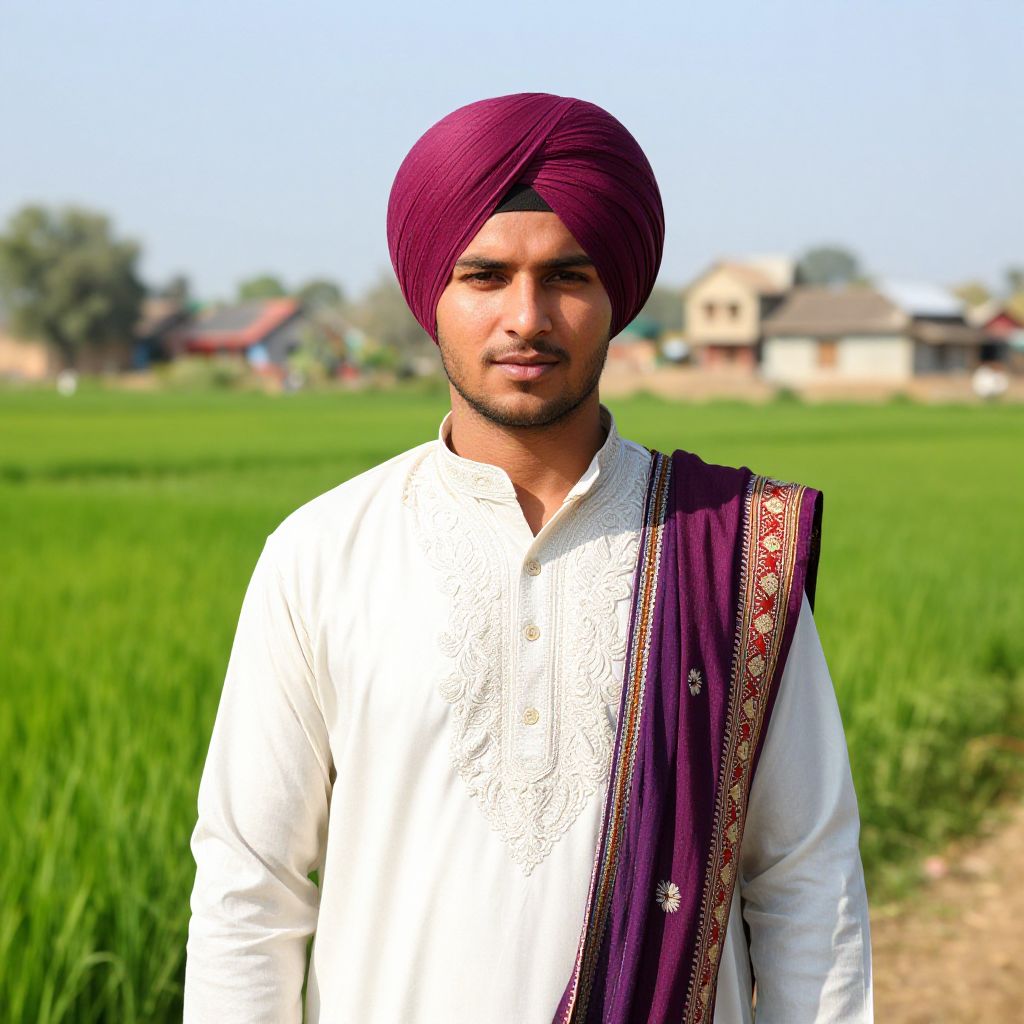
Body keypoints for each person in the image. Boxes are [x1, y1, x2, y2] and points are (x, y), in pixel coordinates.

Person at [184, 92, 872, 1023]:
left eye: (568, 275)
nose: (527, 316)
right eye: (485, 276)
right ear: (433, 292)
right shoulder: (321, 554)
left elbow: (806, 878)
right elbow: (249, 886)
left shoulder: (732, 548)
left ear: (616, 294)